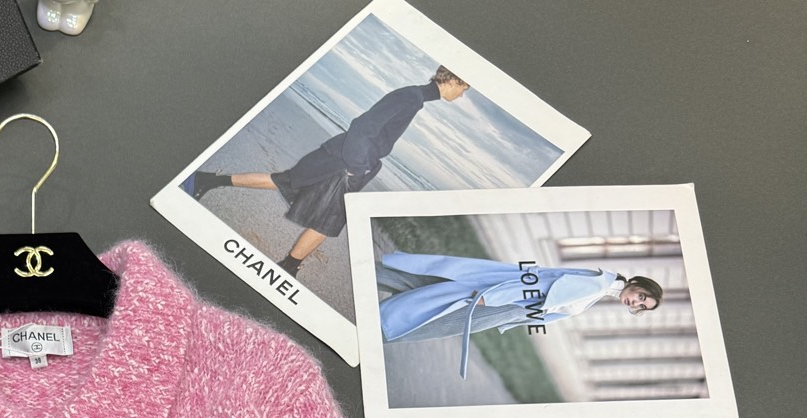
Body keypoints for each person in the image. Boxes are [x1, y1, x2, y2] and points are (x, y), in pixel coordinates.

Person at [187, 65, 470, 277]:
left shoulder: (415, 97)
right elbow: (362, 127)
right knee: (328, 222)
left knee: (284, 181)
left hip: (342, 157)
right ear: (454, 80)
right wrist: (356, 169)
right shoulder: (411, 97)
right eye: (464, 89)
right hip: (346, 164)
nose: (461, 95)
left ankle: (206, 180)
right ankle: (289, 266)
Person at [375, 250, 663, 343]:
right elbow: (539, 286)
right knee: (434, 320)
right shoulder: (598, 285)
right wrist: (493, 298)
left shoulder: (601, 286)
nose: (635, 302)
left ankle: (371, 276)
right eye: (641, 296)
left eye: (641, 306)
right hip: (505, 303)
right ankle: (377, 329)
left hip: (509, 306)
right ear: (636, 283)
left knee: (435, 291)